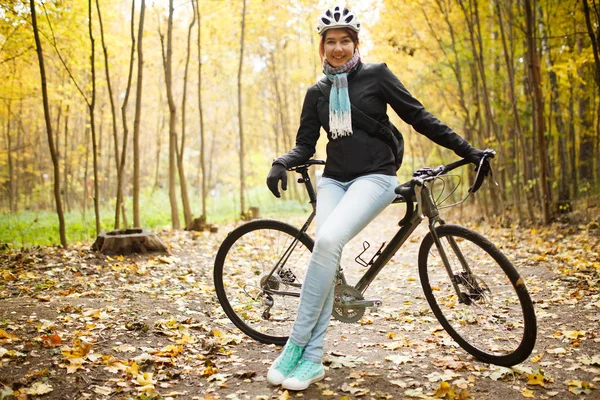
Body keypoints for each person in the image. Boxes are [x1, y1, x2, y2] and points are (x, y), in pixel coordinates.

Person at [265, 5, 487, 392]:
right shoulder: (316, 93)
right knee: (324, 250)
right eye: (330, 42)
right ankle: (312, 359)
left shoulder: (377, 75)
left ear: (355, 44)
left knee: (330, 240)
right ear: (322, 47)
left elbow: (418, 116)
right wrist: (281, 161)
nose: (337, 48)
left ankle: (295, 345)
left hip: (376, 178)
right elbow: (305, 145)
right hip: (334, 180)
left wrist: (467, 150)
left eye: (344, 41)